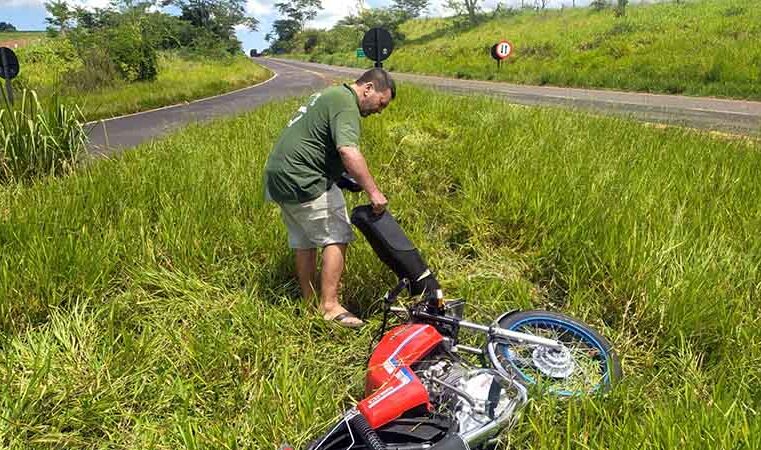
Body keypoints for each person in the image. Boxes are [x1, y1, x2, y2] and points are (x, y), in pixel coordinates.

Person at [264, 68, 396, 328]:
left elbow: (319, 143)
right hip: (304, 176)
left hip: (279, 176)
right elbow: (347, 150)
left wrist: (343, 177)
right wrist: (373, 192)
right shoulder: (346, 103)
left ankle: (309, 303)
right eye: (381, 103)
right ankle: (330, 306)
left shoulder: (330, 95)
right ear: (368, 88)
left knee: (305, 241)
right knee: (337, 235)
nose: (379, 110)